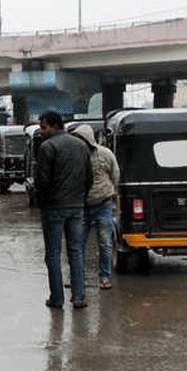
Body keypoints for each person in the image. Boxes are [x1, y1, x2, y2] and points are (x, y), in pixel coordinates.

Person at [36, 110, 92, 309]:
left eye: (43, 127)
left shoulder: (47, 147)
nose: (41, 131)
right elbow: (89, 177)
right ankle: (78, 297)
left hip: (53, 208)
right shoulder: (81, 146)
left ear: (54, 126)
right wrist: (81, 199)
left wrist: (42, 203)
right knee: (76, 252)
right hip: (77, 207)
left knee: (53, 254)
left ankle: (57, 298)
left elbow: (41, 181)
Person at [72, 124, 120, 290]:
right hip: (82, 205)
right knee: (77, 244)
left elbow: (115, 174)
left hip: (103, 203)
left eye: (80, 139)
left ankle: (105, 277)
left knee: (105, 243)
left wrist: (114, 193)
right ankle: (78, 277)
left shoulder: (105, 154)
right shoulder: (74, 156)